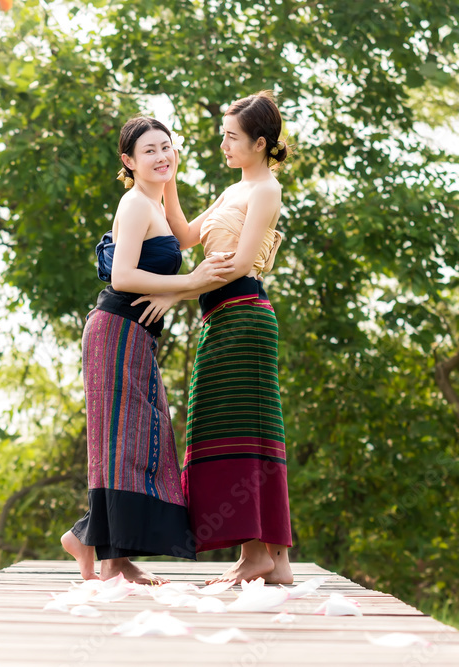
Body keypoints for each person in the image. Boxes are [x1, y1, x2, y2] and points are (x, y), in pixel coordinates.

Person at [60, 117, 235, 584]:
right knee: (124, 443)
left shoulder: (158, 197)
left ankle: (105, 550)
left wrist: (175, 290)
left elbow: (182, 239)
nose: (161, 156)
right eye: (150, 151)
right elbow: (121, 277)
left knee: (139, 438)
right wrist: (190, 283)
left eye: (167, 147)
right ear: (128, 162)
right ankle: (97, 548)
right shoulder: (135, 204)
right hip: (115, 328)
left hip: (135, 335)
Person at [134, 91, 293, 584]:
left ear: (260, 143)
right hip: (221, 317)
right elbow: (184, 236)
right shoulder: (233, 190)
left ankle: (257, 555)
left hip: (244, 315)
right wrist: (170, 180)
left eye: (231, 137)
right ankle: (276, 562)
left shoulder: (265, 189)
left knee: (243, 426)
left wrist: (177, 294)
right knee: (239, 425)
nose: (222, 144)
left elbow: (243, 264)